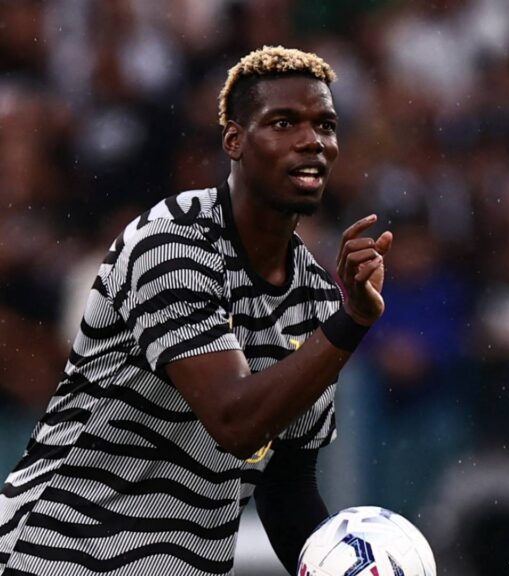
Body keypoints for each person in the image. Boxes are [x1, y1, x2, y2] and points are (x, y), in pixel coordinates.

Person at [0, 46, 392, 576]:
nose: (312, 141)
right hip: (59, 556)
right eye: (284, 123)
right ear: (233, 140)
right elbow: (234, 420)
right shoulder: (172, 244)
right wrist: (352, 324)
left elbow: (285, 489)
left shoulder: (317, 300)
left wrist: (348, 567)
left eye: (325, 125)